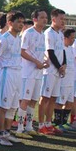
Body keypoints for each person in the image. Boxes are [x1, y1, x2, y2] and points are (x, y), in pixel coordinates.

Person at [0, 11, 26, 146]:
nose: (21, 25)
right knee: (3, 106)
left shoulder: (18, 38)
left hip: (17, 73)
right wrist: (0, 72)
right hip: (7, 73)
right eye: (18, 22)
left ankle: (7, 132)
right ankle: (0, 135)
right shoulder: (4, 38)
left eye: (22, 22)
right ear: (10, 23)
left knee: (12, 107)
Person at [16, 10, 49, 138]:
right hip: (27, 73)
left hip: (38, 72)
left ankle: (29, 126)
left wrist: (46, 61)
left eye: (46, 17)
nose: (45, 20)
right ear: (35, 19)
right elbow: (22, 51)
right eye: (42, 17)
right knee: (25, 100)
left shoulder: (42, 34)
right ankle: (19, 128)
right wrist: (36, 61)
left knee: (33, 100)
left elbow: (40, 51)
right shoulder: (28, 33)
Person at [39, 9, 66, 135]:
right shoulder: (49, 33)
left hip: (58, 70)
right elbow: (50, 52)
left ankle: (49, 123)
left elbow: (63, 51)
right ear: (53, 19)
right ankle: (41, 125)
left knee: (53, 98)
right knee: (45, 98)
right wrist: (59, 66)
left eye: (64, 19)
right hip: (50, 70)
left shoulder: (60, 33)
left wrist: (64, 64)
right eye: (61, 19)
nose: (63, 21)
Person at [54, 28, 76, 132]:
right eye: (72, 38)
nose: (73, 40)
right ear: (66, 38)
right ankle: (57, 122)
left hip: (71, 79)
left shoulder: (71, 49)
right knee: (60, 102)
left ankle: (64, 122)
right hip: (64, 80)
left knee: (70, 102)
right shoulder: (62, 48)